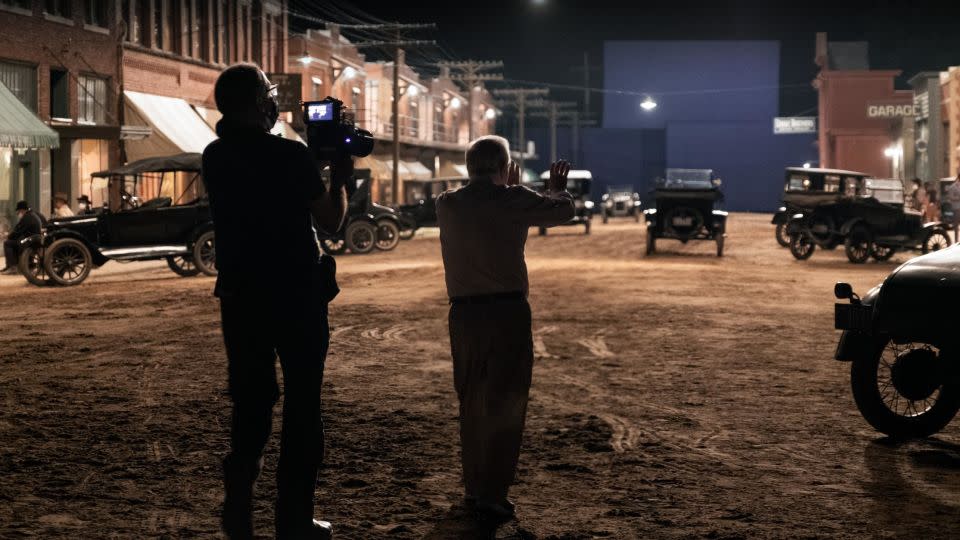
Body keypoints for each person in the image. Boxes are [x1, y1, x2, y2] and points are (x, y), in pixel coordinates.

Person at [202, 63, 348, 540]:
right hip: (296, 294)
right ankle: (293, 520)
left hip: (242, 295)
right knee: (303, 406)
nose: (274, 101)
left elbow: (262, 181)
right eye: (269, 94)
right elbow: (329, 220)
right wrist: (338, 175)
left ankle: (239, 513)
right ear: (260, 102)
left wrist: (310, 163)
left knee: (252, 402)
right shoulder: (292, 155)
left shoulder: (215, 156)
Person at [436, 135, 575, 521]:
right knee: (506, 404)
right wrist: (556, 190)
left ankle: (474, 488)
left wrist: (508, 190)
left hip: (463, 316)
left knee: (472, 402)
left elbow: (487, 210)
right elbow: (563, 212)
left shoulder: (446, 204)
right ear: (504, 166)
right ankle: (493, 494)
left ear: (468, 167)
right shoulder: (514, 201)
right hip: (508, 314)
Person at [2, 201, 45, 275]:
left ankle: (12, 267)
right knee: (13, 241)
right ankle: (12, 266)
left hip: (31, 241)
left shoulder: (27, 218)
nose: (18, 214)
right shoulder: (32, 215)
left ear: (21, 210)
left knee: (8, 243)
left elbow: (18, 231)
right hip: (34, 239)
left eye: (18, 211)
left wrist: (8, 236)